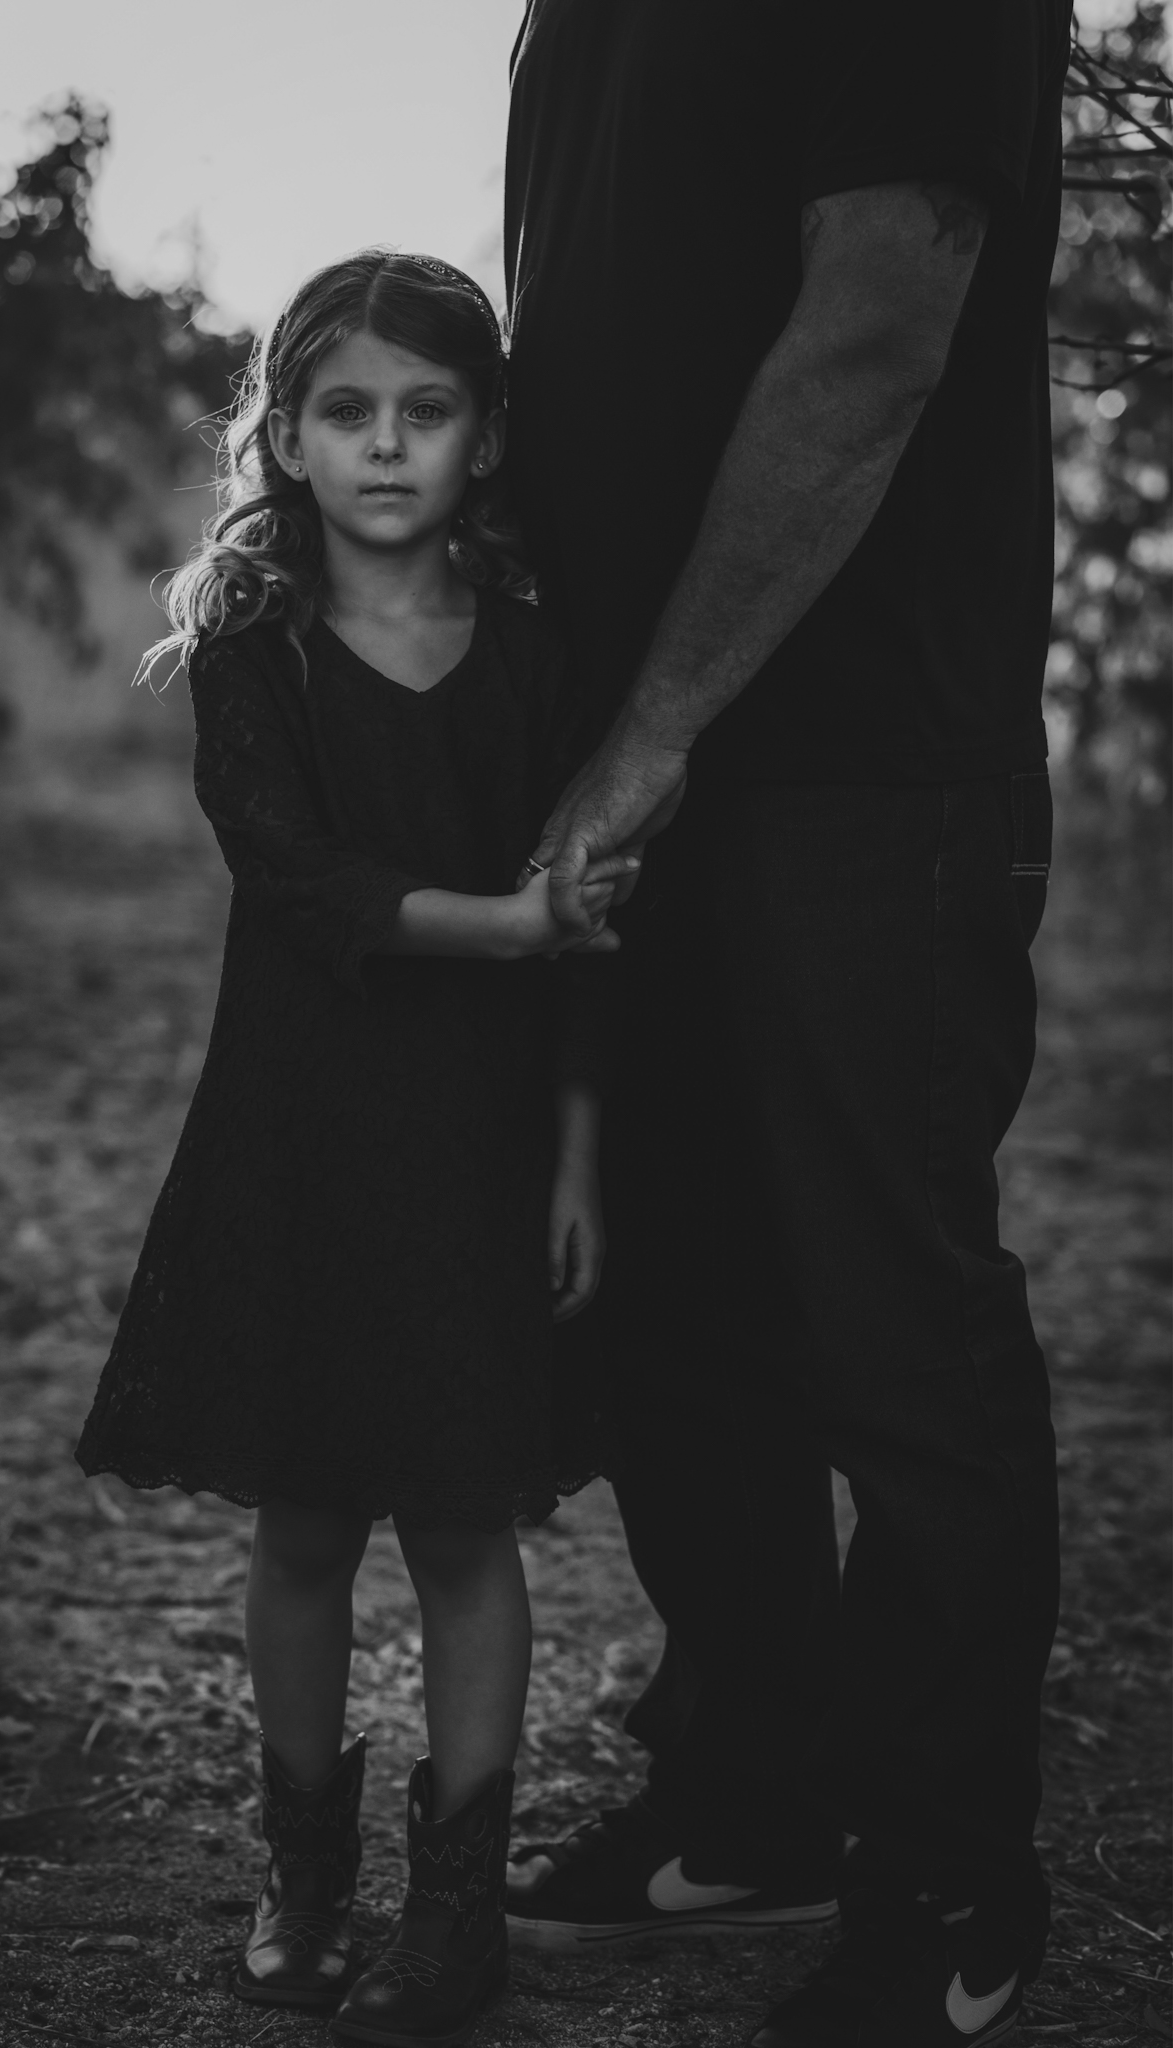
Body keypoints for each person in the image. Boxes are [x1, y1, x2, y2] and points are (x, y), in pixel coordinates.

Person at [499, 3, 1070, 2043]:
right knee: (668, 1300)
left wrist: (657, 728)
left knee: (888, 1324)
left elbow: (876, 328)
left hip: (857, 768)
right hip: (614, 765)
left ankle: (942, 1884)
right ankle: (752, 1799)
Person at [75, 250, 631, 2047]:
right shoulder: (256, 652)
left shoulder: (543, 653)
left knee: (472, 1532)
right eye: (347, 411)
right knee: (307, 1524)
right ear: (289, 438)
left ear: (482, 436)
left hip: (479, 1151)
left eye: (428, 409)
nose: (388, 445)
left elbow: (590, 957)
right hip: (302, 1138)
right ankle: (305, 1873)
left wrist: (570, 1155)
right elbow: (297, 882)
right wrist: (511, 924)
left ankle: (454, 1915)